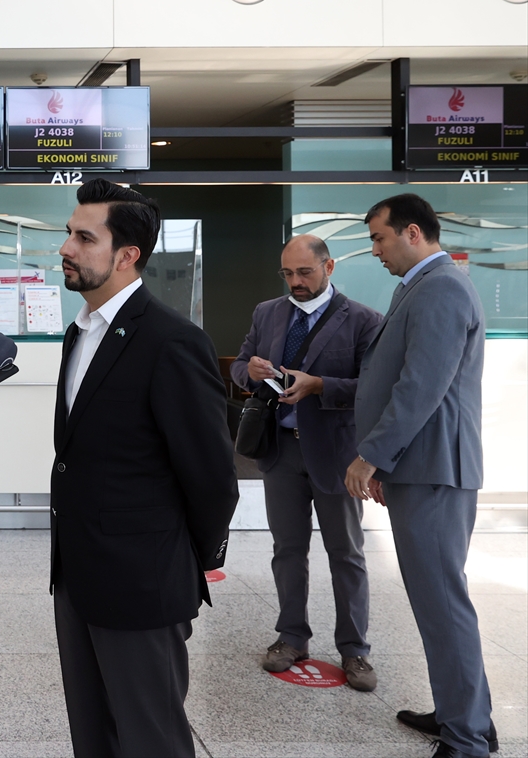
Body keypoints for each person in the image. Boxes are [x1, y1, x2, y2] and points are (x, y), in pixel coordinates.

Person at [50, 178, 239, 758]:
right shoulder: (79, 333)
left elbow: (212, 479)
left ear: (127, 255)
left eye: (85, 237)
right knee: (93, 732)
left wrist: (184, 563)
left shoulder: (172, 341)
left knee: (151, 736)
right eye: (68, 234)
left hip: (141, 580)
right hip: (77, 571)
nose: (66, 247)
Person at [346, 194, 496, 758]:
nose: (376, 250)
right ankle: (467, 717)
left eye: (380, 238)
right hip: (422, 467)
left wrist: (373, 456)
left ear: (413, 232)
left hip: (436, 469)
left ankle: (466, 741)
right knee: (437, 603)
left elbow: (421, 387)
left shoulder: (441, 288)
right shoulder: (422, 286)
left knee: (443, 604)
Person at [230, 235, 383, 691]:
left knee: (347, 553)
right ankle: (291, 636)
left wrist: (319, 385)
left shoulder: (363, 320)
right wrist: (250, 373)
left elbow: (372, 386)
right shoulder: (268, 313)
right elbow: (239, 366)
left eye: (305, 273)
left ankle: (354, 649)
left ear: (329, 267)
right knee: (288, 550)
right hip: (281, 450)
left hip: (337, 454)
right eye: (287, 274)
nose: (295, 282)